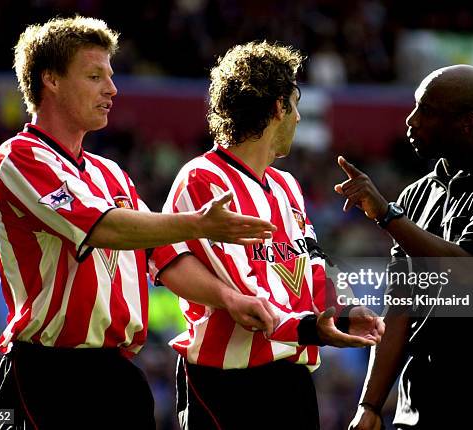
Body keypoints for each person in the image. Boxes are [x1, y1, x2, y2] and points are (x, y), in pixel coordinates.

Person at [0, 16, 277, 429]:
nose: (112, 89)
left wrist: (228, 298)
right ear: (50, 80)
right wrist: (197, 224)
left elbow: (164, 255)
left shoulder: (112, 174)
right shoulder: (19, 157)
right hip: (47, 374)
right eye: (94, 75)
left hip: (119, 377)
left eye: (111, 75)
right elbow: (104, 227)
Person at [148, 41, 385, 429]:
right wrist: (314, 328)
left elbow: (313, 266)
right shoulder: (204, 178)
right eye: (295, 102)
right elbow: (247, 292)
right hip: (226, 383)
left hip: (291, 377)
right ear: (278, 107)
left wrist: (344, 312)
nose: (298, 116)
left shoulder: (287, 185)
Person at [340, 65, 473, 430]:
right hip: (418, 395)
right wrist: (370, 405)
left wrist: (388, 216)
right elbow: (399, 309)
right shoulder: (414, 195)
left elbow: (468, 271)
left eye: (427, 110)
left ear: (467, 122)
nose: (411, 120)